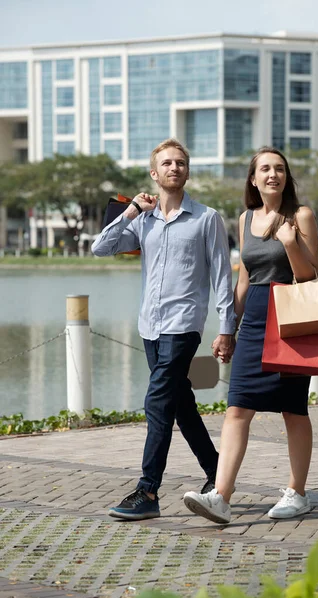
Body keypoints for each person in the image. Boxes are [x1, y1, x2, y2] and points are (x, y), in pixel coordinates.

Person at [92, 138, 236, 521]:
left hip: (183, 326)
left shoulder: (207, 219)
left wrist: (226, 328)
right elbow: (99, 248)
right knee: (181, 406)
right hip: (150, 327)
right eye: (167, 164)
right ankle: (218, 474)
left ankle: (148, 490)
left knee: (157, 403)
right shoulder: (143, 221)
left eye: (181, 163)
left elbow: (223, 277)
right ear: (154, 174)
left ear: (187, 171)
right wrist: (130, 211)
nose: (175, 168)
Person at [183, 146, 318, 524]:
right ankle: (221, 497)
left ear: (286, 178)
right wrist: (229, 327)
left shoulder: (301, 215)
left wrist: (290, 242)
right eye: (265, 169)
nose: (272, 174)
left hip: (290, 316)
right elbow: (244, 278)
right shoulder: (245, 219)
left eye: (279, 168)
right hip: (255, 319)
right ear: (253, 178)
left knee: (293, 408)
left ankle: (298, 492)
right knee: (237, 406)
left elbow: (309, 276)